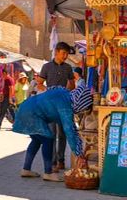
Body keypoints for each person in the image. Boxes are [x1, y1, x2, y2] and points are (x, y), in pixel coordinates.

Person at [13, 85, 93, 181]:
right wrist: (79, 153)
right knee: (48, 139)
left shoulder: (64, 94)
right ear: (80, 102)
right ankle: (48, 172)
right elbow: (69, 130)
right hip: (32, 114)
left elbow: (67, 124)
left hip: (26, 107)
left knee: (36, 140)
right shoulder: (66, 104)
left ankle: (26, 169)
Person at [39, 42, 75, 172]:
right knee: (52, 133)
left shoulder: (68, 68)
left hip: (63, 105)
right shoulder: (46, 67)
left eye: (66, 53)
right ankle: (53, 162)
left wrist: (66, 91)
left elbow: (72, 84)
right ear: (56, 52)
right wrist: (47, 90)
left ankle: (61, 160)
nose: (65, 56)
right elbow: (39, 84)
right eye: (63, 53)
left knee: (63, 133)